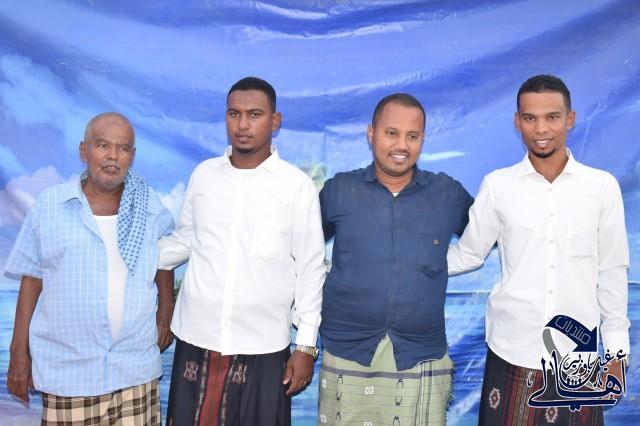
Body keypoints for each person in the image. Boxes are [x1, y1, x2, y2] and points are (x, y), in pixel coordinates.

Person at [447, 74, 630, 425]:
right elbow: (468, 254)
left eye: (552, 117)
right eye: (530, 118)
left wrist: (617, 355)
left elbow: (611, 272)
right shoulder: (498, 186)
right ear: (517, 122)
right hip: (510, 350)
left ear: (570, 119)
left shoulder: (601, 188)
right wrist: (407, 261)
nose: (541, 129)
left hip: (579, 360)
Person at [160, 76, 326, 426]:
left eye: (255, 114)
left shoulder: (296, 187)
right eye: (234, 114)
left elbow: (311, 269)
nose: (243, 125)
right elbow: (184, 242)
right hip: (197, 337)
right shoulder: (204, 176)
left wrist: (306, 346)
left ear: (275, 121)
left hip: (262, 345)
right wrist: (122, 255)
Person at [5, 112, 175, 425]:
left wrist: (166, 312)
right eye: (103, 145)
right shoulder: (50, 206)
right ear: (84, 150)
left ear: (132, 156)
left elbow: (164, 257)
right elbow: (32, 280)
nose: (113, 156)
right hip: (70, 374)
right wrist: (18, 352)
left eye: (123, 148)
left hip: (134, 371)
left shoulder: (148, 205)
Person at [318, 93, 474, 425]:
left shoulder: (447, 195)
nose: (401, 145)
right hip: (348, 350)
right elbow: (301, 252)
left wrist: (442, 261)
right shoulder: (339, 191)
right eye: (391, 133)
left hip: (420, 352)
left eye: (412, 136)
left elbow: (487, 239)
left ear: (422, 139)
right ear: (371, 133)